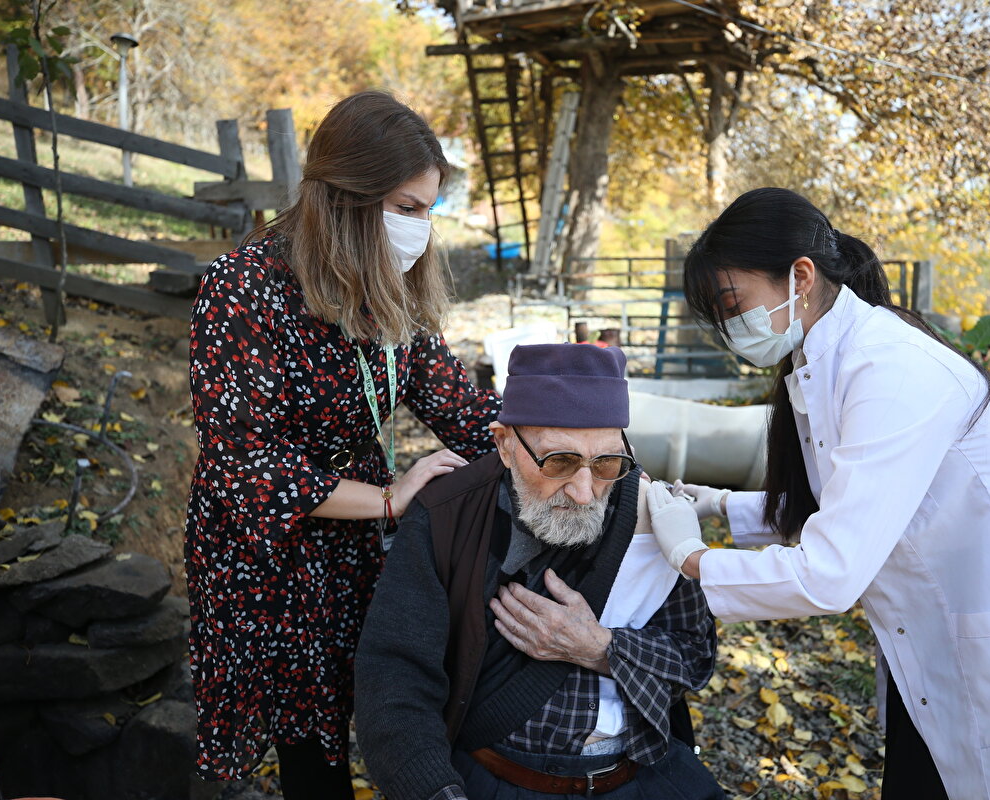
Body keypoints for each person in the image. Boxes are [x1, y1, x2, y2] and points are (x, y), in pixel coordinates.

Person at [645, 188, 990, 800]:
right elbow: (843, 508)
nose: (732, 328)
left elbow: (830, 573)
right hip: (932, 655)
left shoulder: (890, 367)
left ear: (801, 276)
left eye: (733, 303)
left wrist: (690, 559)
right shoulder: (825, 360)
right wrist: (715, 504)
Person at [185, 91, 501, 799]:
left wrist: (560, 435)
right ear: (348, 198)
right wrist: (391, 497)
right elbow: (247, 466)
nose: (423, 228)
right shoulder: (242, 293)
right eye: (409, 208)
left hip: (353, 536)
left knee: (371, 706)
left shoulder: (384, 288)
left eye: (430, 209)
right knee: (306, 746)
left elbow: (462, 408)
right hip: (269, 548)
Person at [354, 344, 722, 800]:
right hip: (499, 778)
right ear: (504, 444)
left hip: (640, 772)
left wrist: (600, 648)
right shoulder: (447, 515)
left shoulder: (651, 513)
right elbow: (395, 675)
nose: (586, 492)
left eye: (606, 462)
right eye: (559, 462)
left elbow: (696, 656)